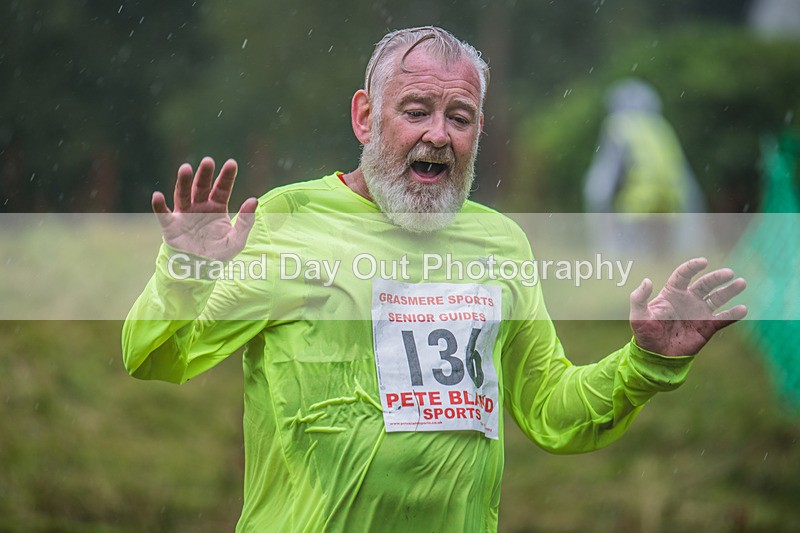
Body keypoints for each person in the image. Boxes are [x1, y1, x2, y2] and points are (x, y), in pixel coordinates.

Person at [122, 26, 747, 532]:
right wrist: (187, 272)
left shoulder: (501, 243)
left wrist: (644, 362)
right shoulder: (289, 220)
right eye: (416, 111)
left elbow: (554, 411)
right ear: (366, 118)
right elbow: (156, 356)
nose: (438, 135)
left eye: (461, 117)